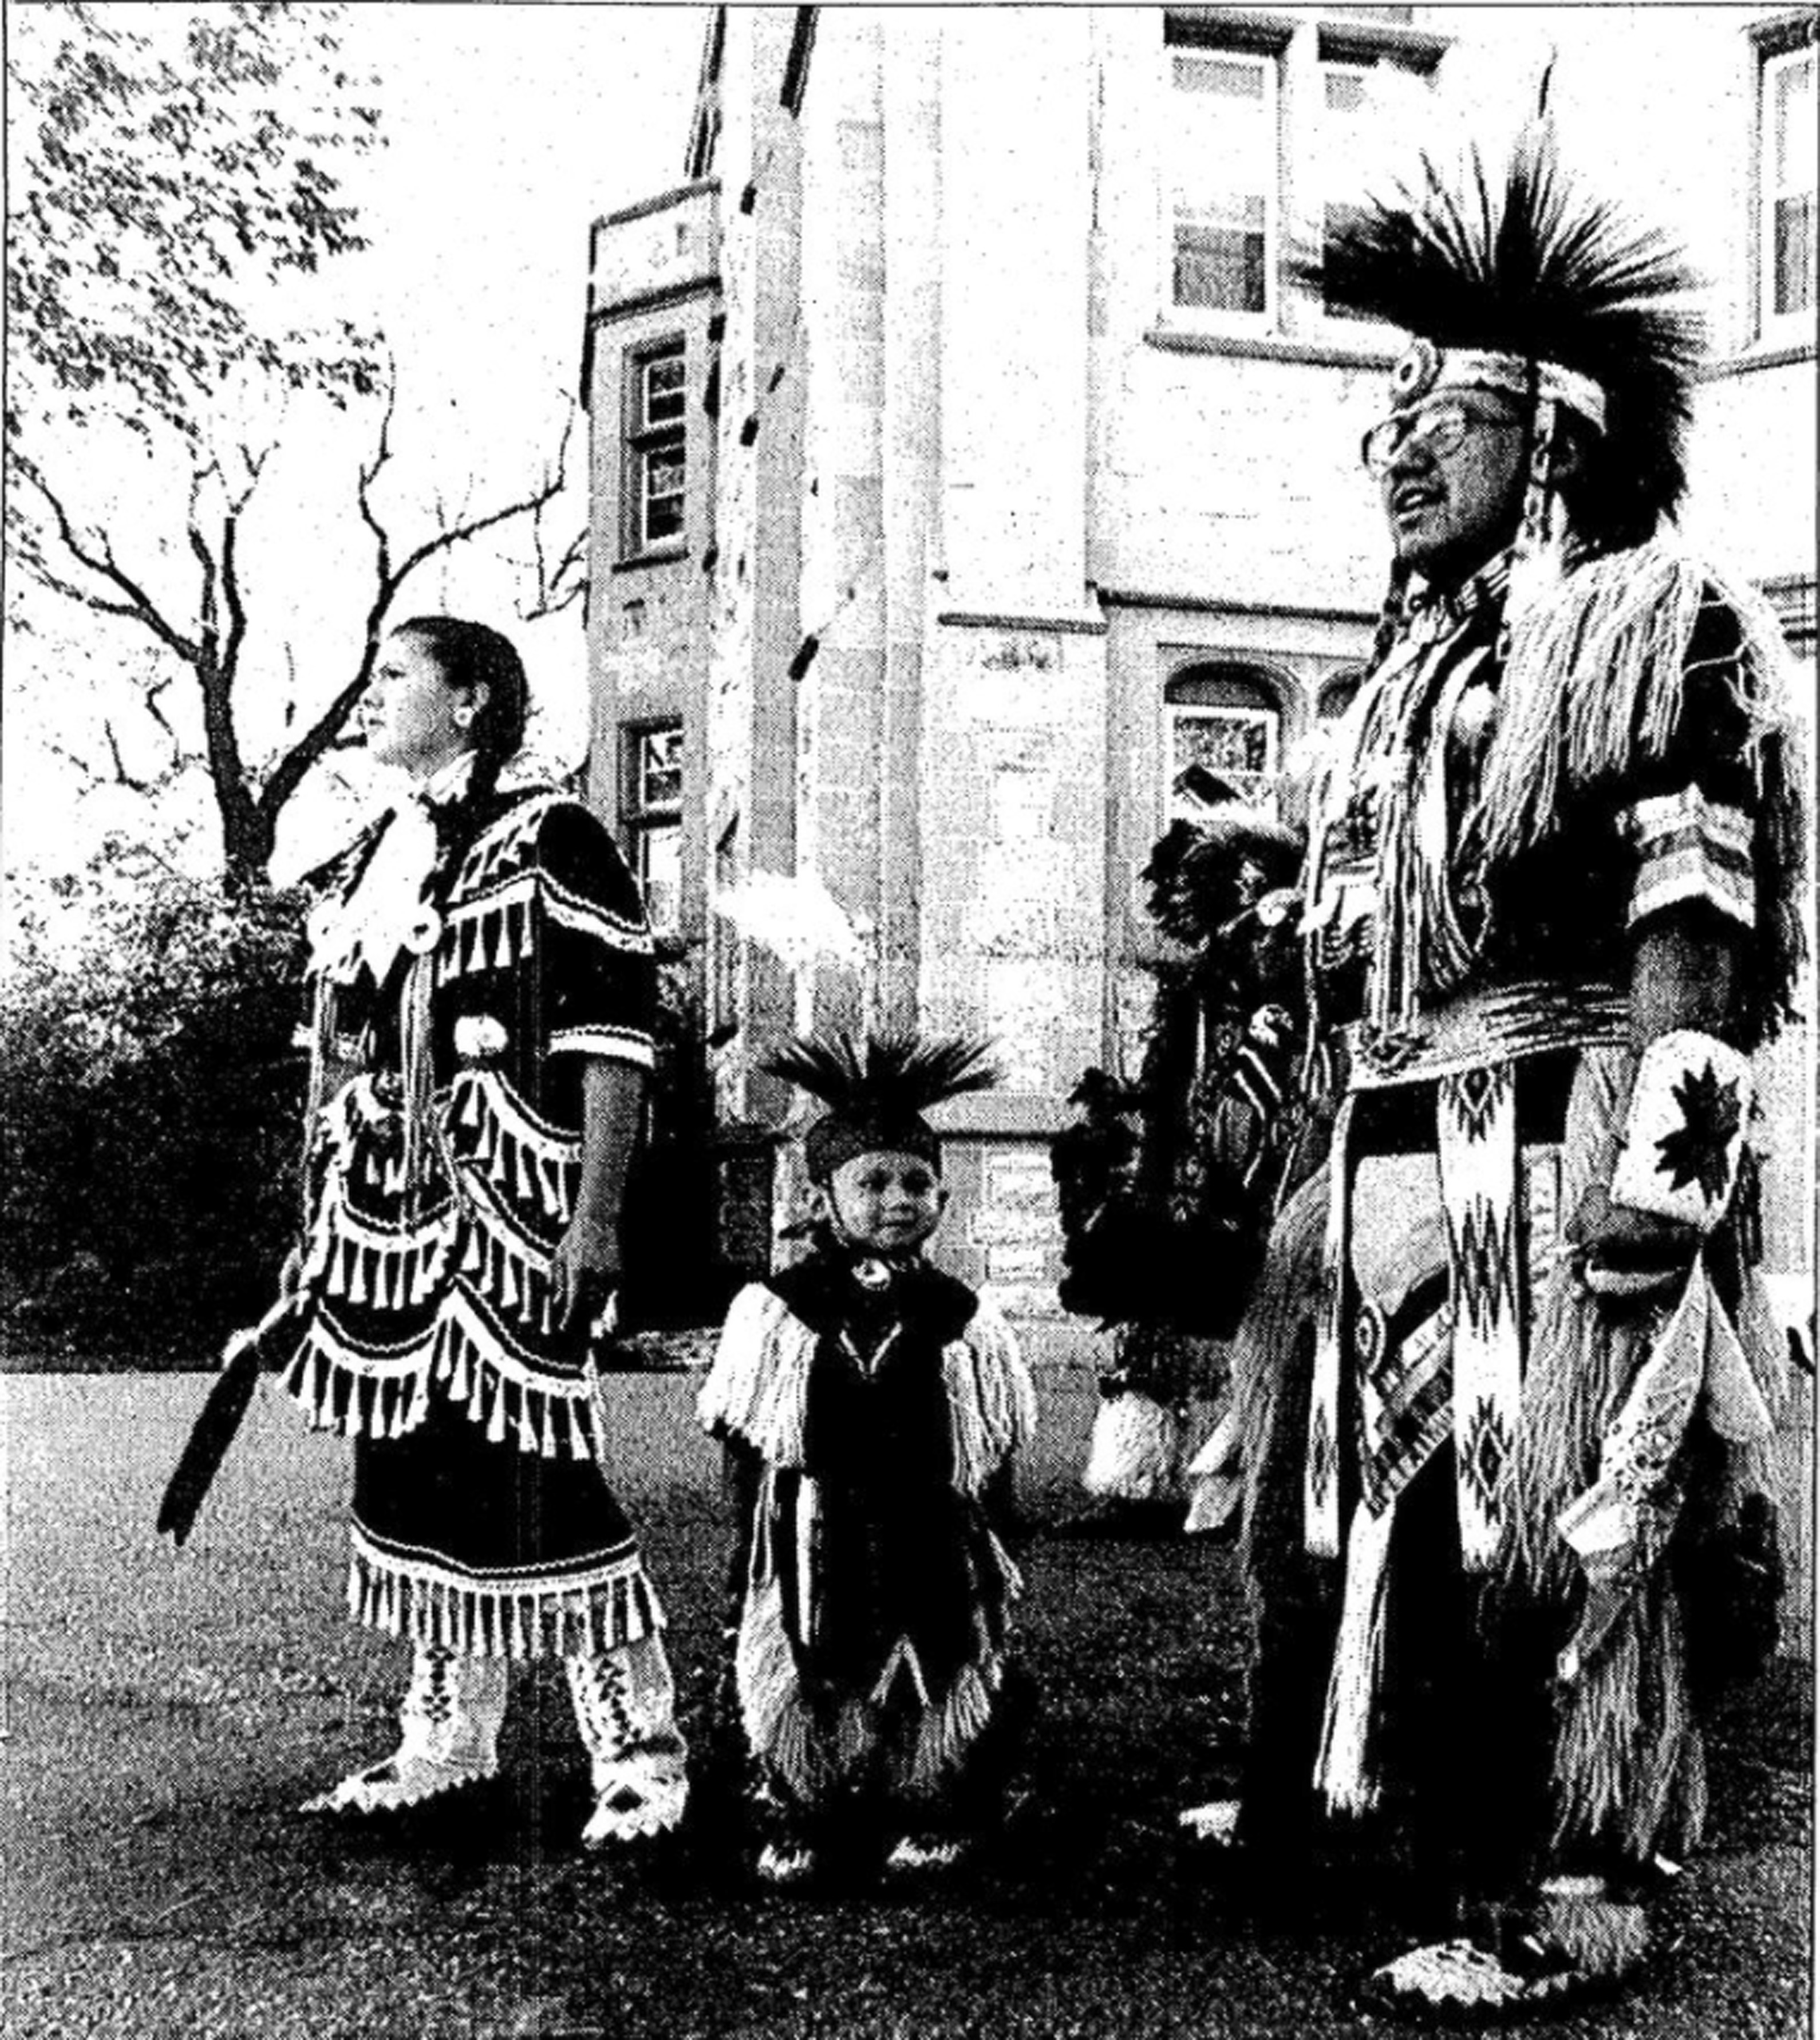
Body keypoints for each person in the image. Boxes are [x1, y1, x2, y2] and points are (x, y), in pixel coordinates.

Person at [1204, 125, 1805, 2013]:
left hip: (1550, 1147)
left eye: (1434, 416)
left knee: (1548, 1524)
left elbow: (1696, 915)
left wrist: (1671, 1184)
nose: (1389, 447)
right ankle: (1349, 1793)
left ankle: (1572, 1881)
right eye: (1378, 418)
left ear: (1549, 434)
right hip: (1387, 1144)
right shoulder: (1398, 681)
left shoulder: (1649, 626)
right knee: (1343, 1505)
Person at [276, 615, 688, 1846]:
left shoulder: (554, 835)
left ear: (468, 699)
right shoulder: (375, 857)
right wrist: (315, 1216)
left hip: (511, 1214)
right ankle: (446, 1734)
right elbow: (336, 1051)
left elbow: (613, 1041)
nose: (371, 697)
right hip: (382, 1217)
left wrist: (598, 1221)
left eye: (395, 675)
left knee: (540, 1471)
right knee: (407, 1460)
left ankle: (640, 1749)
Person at [697, 1032, 1037, 1885]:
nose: (897, 1201)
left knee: (940, 1659)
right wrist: (748, 1543)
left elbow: (990, 1445)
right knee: (803, 1663)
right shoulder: (779, 1309)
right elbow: (747, 1438)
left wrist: (998, 1538)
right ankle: (801, 1806)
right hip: (814, 1525)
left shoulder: (961, 1314)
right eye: (873, 1183)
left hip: (931, 1524)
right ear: (822, 1197)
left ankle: (936, 1801)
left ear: (944, 1198)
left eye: (916, 1183)